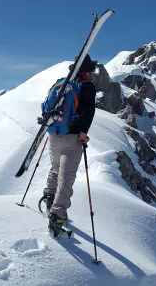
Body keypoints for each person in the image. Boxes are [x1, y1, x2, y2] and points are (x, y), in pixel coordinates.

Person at [41, 54, 97, 237]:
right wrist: (83, 134)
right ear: (87, 70)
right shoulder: (86, 85)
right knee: (67, 177)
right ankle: (57, 218)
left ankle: (49, 198)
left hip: (54, 133)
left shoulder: (62, 82)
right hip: (72, 137)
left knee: (55, 168)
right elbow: (88, 112)